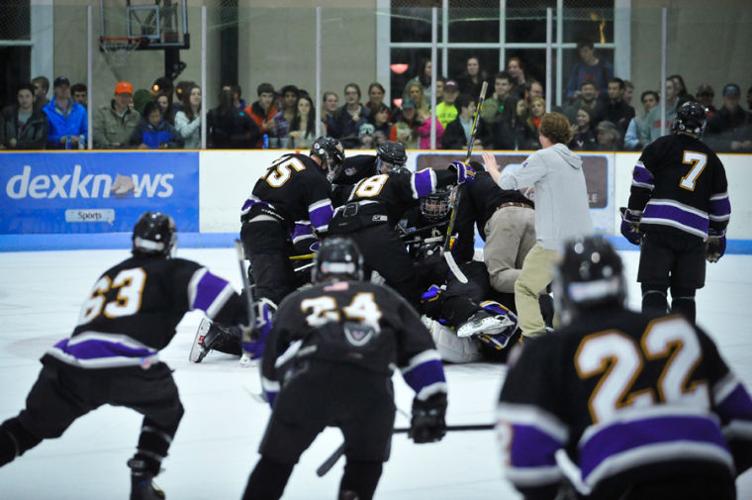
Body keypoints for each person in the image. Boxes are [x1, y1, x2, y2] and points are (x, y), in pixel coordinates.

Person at [0, 212, 249, 500]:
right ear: (170, 244)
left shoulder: (112, 273)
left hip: (68, 365)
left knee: (27, 429)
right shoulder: (176, 271)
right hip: (125, 366)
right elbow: (224, 301)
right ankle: (143, 477)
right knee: (167, 410)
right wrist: (250, 325)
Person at [497, 235, 752, 500]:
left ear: (562, 291)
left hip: (623, 485)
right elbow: (745, 424)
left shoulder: (549, 350)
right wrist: (705, 470)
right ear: (621, 284)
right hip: (711, 479)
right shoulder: (683, 330)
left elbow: (526, 463)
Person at [242, 237, 447, 500]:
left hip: (308, 385)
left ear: (318, 271)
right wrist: (432, 402)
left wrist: (281, 409)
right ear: (358, 271)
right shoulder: (384, 297)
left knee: (274, 464)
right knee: (364, 466)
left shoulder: (298, 300)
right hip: (371, 392)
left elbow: (271, 364)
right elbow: (421, 352)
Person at [622, 101, 730, 324]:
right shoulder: (713, 161)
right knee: (685, 296)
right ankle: (684, 350)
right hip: (693, 236)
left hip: (659, 230)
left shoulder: (661, 145)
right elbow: (720, 208)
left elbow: (641, 182)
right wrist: (718, 235)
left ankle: (651, 347)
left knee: (654, 291)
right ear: (702, 127)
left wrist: (633, 215)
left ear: (675, 122)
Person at [487, 112, 593, 338]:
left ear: (543, 135)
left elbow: (507, 183)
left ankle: (535, 339)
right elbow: (563, 196)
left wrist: (492, 169)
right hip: (581, 243)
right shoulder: (573, 161)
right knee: (564, 292)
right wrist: (539, 193)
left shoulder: (544, 157)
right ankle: (565, 339)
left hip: (554, 242)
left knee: (525, 288)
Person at [328, 158, 473, 308]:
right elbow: (426, 179)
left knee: (353, 290)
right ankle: (411, 324)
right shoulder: (397, 181)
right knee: (407, 282)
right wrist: (455, 173)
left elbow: (331, 198)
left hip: (337, 232)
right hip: (371, 229)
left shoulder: (361, 183)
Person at [240, 136, 343, 307]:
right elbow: (323, 226)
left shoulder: (290, 159)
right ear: (328, 158)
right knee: (271, 293)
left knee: (284, 286)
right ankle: (227, 328)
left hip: (258, 227)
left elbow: (300, 229)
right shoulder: (316, 179)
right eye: (335, 161)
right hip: (267, 230)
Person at [93, 81, 141, 149]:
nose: (124, 99)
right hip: (107, 153)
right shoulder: (102, 112)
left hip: (128, 154)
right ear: (115, 96)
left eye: (127, 96)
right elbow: (97, 133)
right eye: (121, 95)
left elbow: (138, 137)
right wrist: (109, 146)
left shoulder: (135, 115)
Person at [43, 76, 87, 149]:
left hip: (77, 152)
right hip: (54, 153)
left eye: (66, 87)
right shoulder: (46, 111)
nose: (64, 90)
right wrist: (59, 139)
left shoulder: (80, 110)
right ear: (54, 89)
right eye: (60, 87)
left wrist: (79, 138)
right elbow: (43, 136)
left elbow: (87, 132)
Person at [705, 83, 752, 152]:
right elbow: (708, 141)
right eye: (729, 97)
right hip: (722, 156)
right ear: (724, 98)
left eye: (734, 97)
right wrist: (728, 145)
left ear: (739, 97)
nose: (731, 100)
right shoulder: (714, 119)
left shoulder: (749, 118)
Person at [1, 83, 48, 150]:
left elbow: (40, 143)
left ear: (33, 98)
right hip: (9, 155)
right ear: (17, 98)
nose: (24, 100)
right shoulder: (7, 114)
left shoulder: (40, 117)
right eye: (21, 96)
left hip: (31, 156)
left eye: (27, 96)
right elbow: (1, 137)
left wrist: (17, 144)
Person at [641, 77, 679, 145]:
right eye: (663, 88)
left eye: (669, 88)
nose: (666, 91)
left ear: (675, 91)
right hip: (655, 152)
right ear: (659, 92)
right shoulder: (653, 113)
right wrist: (650, 148)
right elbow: (644, 135)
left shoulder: (679, 112)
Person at [333, 83, 369, 148]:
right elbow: (337, 134)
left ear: (359, 95)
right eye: (348, 94)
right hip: (344, 147)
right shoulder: (339, 113)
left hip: (363, 147)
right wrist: (352, 122)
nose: (351, 96)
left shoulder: (367, 112)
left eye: (354, 93)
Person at [245, 83, 277, 147]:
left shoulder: (275, 111)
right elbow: (246, 135)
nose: (267, 99)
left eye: (270, 96)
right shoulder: (248, 112)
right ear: (259, 97)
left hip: (271, 147)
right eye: (264, 96)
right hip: (252, 148)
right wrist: (262, 128)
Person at [173, 83, 202, 149]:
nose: (196, 96)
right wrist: (200, 119)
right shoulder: (180, 115)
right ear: (187, 97)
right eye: (193, 94)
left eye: (199, 94)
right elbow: (184, 133)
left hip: (202, 153)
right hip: (186, 154)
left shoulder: (204, 114)